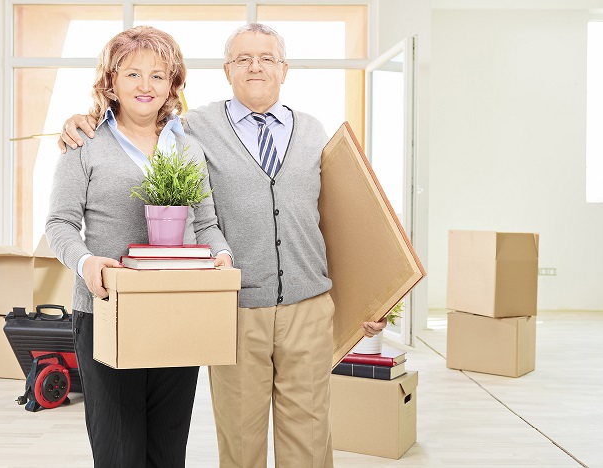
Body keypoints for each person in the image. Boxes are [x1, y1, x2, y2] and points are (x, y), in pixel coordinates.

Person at [59, 23, 386, 468]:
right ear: (226, 70)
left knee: (196, 443)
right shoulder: (185, 131)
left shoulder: (303, 133)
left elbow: (343, 222)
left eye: (267, 58)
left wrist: (370, 295)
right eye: (243, 59)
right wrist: (80, 119)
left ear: (284, 70)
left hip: (265, 305)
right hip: (189, 307)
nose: (256, 66)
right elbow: (62, 220)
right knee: (177, 444)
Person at [46, 26, 232, 468]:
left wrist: (222, 257)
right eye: (132, 74)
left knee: (169, 448)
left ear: (173, 84)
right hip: (107, 309)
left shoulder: (188, 149)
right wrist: (87, 262)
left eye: (157, 75)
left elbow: (206, 223)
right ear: (110, 81)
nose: (145, 86)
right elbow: (60, 224)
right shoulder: (83, 143)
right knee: (118, 449)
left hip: (177, 309)